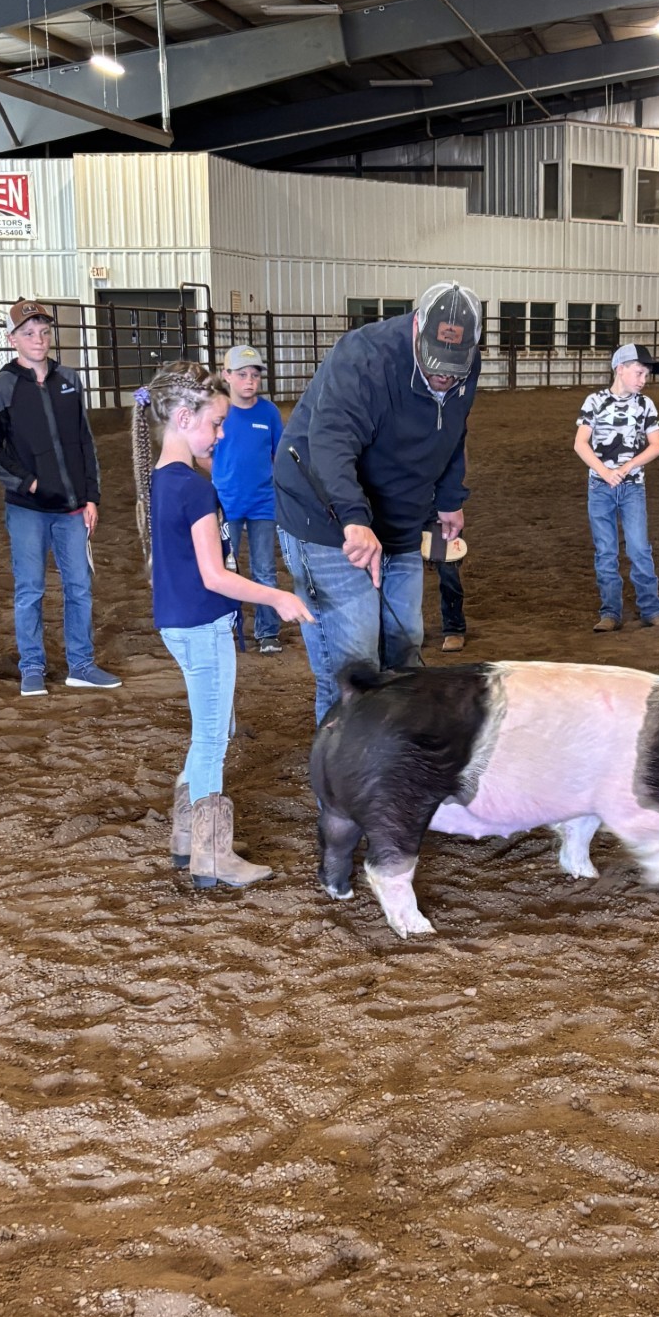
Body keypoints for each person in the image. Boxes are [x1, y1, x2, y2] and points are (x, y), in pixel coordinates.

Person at [274, 282, 480, 726]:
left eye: (453, 370)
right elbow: (330, 442)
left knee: (405, 648)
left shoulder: (466, 363)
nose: (443, 378)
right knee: (354, 667)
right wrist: (353, 518)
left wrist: (449, 498)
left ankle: (396, 764)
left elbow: (454, 429)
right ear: (417, 331)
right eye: (434, 366)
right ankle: (343, 786)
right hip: (326, 515)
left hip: (401, 518)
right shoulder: (363, 359)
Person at [146, 361, 313, 891]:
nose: (220, 434)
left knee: (208, 733)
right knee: (213, 738)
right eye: (214, 423)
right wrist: (276, 595)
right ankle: (212, 855)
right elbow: (216, 576)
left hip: (180, 621)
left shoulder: (161, 479)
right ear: (182, 416)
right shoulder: (194, 489)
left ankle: (187, 838)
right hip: (204, 624)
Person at [0, 299, 119, 695]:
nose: (38, 339)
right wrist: (28, 482)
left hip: (73, 508)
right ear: (12, 340)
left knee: (79, 587)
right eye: (28, 333)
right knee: (30, 589)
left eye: (43, 331)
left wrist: (91, 496)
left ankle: (82, 664)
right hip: (28, 510)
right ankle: (32, 667)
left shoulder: (69, 379)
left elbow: (84, 442)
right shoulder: (3, 386)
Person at [575, 342, 659, 636]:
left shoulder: (645, 405)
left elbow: (657, 445)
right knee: (606, 551)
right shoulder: (594, 402)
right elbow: (580, 443)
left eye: (645, 375)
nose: (642, 380)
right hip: (601, 486)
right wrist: (605, 472)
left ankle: (651, 610)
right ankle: (611, 611)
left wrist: (623, 468)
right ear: (620, 369)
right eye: (639, 373)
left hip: (631, 486)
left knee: (639, 548)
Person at [214, 342, 285, 655]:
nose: (249, 380)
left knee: (265, 569)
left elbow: (278, 455)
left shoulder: (269, 413)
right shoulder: (219, 411)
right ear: (226, 375)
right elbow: (205, 452)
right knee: (223, 569)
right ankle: (224, 628)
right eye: (241, 374)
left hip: (262, 504)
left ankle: (267, 632)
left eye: (254, 375)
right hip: (226, 503)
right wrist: (218, 482)